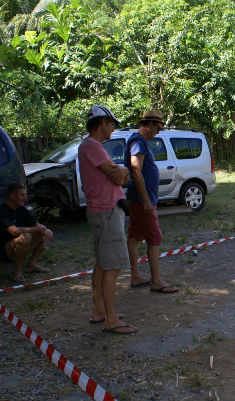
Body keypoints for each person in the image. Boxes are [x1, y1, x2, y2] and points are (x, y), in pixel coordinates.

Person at [78, 105, 137, 334]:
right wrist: (122, 171)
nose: (112, 127)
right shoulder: (92, 146)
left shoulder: (91, 147)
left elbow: (119, 174)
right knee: (112, 266)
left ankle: (99, 310)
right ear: (102, 123)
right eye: (111, 123)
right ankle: (111, 319)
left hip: (102, 211)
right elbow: (117, 176)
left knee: (103, 263)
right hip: (107, 211)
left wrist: (120, 171)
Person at [125, 110, 178, 293]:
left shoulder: (139, 141)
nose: (158, 132)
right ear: (148, 124)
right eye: (157, 128)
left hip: (138, 199)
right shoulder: (138, 142)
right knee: (154, 238)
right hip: (142, 200)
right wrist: (146, 201)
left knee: (134, 235)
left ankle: (135, 276)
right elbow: (136, 170)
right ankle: (156, 281)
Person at [0, 183, 53, 283]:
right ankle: (17, 272)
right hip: (1, 250)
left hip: (17, 245)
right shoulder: (1, 211)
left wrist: (43, 229)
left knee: (47, 233)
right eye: (22, 195)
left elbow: (36, 225)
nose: (25, 198)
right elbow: (14, 232)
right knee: (25, 237)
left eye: (25, 195)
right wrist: (34, 229)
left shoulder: (21, 209)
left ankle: (31, 264)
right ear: (12, 196)